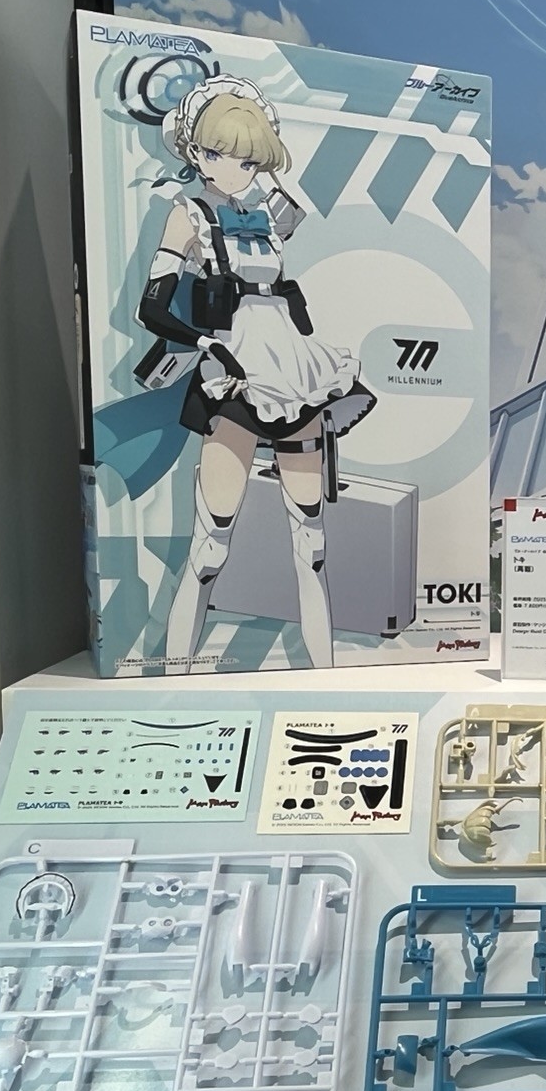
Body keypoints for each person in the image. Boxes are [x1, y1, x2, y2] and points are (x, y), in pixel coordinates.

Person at [134, 76, 374, 669]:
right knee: (211, 541)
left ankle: (325, 674)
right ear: (195, 152)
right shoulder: (188, 214)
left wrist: (309, 349)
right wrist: (206, 346)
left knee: (312, 543)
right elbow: (151, 308)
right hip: (235, 371)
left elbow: (286, 291)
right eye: (218, 154)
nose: (234, 169)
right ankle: (175, 674)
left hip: (292, 369)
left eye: (246, 159)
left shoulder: (272, 214)